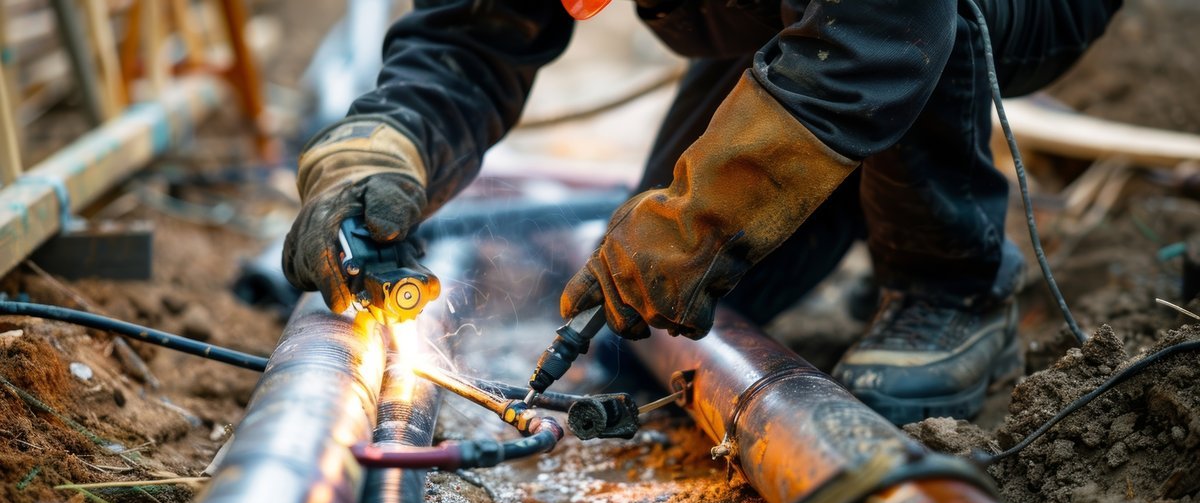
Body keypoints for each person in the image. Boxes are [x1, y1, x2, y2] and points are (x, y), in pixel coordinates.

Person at [282, 0, 1121, 424]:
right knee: (646, 317)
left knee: (897, 35)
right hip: (807, 11)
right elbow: (470, 34)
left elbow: (880, 24)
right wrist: (380, 150)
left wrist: (699, 219)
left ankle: (952, 289)